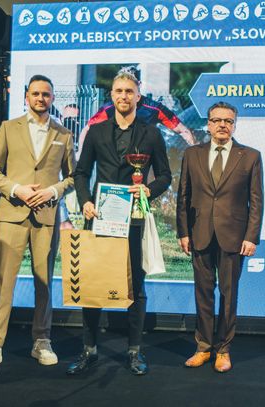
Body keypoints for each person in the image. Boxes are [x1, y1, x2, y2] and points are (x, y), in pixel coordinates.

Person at [68, 71, 172, 376]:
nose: (123, 96)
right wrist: (85, 201)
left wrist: (148, 190)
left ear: (138, 96)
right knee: (92, 285)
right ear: (111, 95)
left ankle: (134, 351)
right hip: (99, 219)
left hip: (134, 219)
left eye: (129, 91)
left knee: (136, 286)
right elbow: (81, 173)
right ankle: (89, 350)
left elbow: (165, 176)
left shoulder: (151, 134)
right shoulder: (97, 132)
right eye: (118, 91)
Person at [0, 75, 76, 374]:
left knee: (44, 282)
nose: (40, 98)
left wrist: (53, 191)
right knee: (2, 281)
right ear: (26, 96)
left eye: (46, 94)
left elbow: (73, 177)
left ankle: (42, 340)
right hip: (12, 214)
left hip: (46, 216)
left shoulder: (64, 134)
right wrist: (17, 189)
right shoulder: (9, 128)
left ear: (52, 98)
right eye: (35, 94)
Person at [176, 101, 264, 373]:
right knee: (203, 293)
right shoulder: (192, 154)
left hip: (234, 237)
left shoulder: (250, 156)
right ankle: (203, 347)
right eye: (217, 120)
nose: (223, 125)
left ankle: (223, 350)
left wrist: (251, 237)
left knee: (228, 294)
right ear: (208, 124)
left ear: (234, 125)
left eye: (228, 121)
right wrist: (183, 232)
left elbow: (256, 201)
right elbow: (183, 196)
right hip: (199, 235)